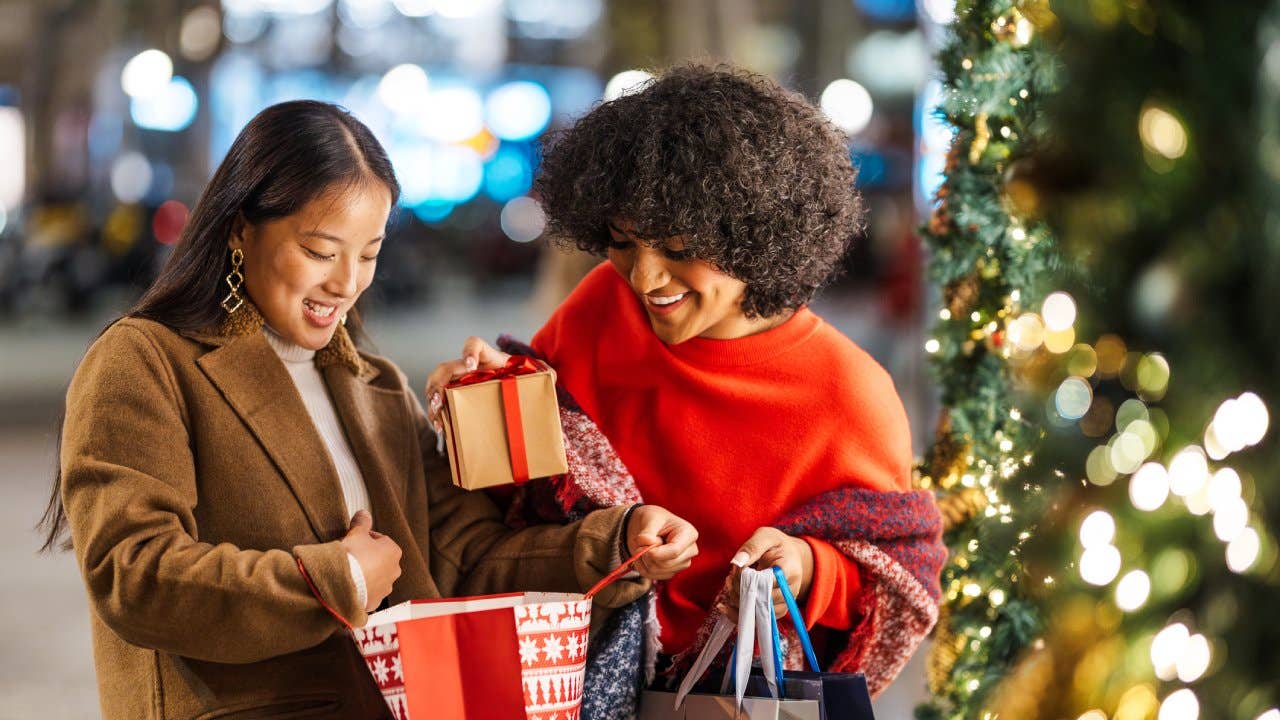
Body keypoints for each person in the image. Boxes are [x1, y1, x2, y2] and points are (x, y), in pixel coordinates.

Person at [38, 100, 698, 720]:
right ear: (241, 229)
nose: (347, 283)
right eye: (321, 252)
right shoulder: (147, 361)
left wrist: (617, 543)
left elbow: (463, 560)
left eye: (370, 254)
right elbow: (135, 575)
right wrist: (338, 577)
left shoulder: (372, 384)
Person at [426, 65, 945, 701]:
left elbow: (894, 585)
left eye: (677, 247)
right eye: (621, 241)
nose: (644, 278)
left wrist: (807, 568)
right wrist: (480, 404)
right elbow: (519, 497)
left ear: (753, 231)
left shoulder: (848, 394)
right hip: (564, 687)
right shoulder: (600, 308)